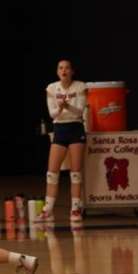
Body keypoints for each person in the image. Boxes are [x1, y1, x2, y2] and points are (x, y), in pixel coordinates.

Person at [38, 60, 87, 223]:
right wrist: (60, 108)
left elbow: (80, 110)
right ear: (57, 72)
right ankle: (48, 209)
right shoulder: (52, 88)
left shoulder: (80, 86)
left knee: (75, 172)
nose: (64, 70)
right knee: (52, 172)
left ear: (72, 71)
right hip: (60, 129)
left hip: (75, 127)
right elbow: (52, 114)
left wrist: (68, 106)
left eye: (67, 68)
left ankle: (75, 209)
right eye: (60, 68)